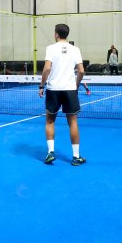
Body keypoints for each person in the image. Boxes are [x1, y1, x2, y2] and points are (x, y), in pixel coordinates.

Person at [39, 23, 86, 166]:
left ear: (56, 34)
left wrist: (41, 85)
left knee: (50, 121)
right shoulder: (75, 49)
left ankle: (50, 153)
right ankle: (76, 157)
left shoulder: (51, 48)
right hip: (70, 90)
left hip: (53, 90)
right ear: (67, 34)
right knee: (73, 122)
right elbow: (81, 71)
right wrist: (76, 85)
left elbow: (47, 68)